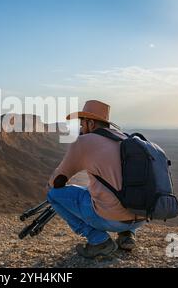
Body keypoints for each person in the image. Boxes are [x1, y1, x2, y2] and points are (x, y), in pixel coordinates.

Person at [47, 100, 146, 258]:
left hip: (111, 220)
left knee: (53, 195)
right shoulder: (127, 140)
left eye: (82, 123)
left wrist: (79, 145)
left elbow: (57, 181)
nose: (80, 127)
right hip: (141, 217)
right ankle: (127, 235)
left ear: (91, 123)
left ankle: (99, 241)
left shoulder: (84, 141)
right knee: (116, 186)